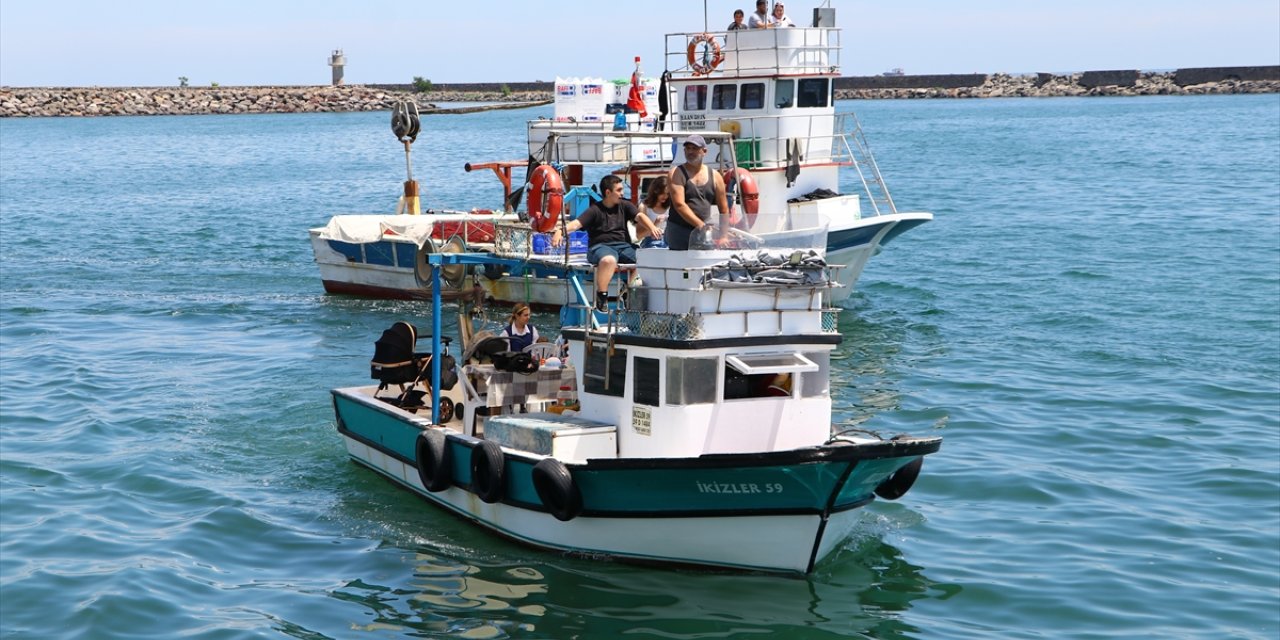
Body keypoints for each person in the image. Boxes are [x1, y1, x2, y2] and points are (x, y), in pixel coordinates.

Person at [552, 175, 659, 311]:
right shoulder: (595, 210)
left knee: (647, 257)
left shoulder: (625, 205)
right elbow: (576, 224)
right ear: (608, 193)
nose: (622, 193)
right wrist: (560, 231)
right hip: (599, 247)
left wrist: (652, 227)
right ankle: (602, 296)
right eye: (619, 190)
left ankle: (628, 291)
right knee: (609, 260)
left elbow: (640, 216)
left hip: (623, 246)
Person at [666, 134, 729, 251]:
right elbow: (679, 204)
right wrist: (700, 225)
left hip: (703, 231)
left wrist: (724, 236)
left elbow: (724, 208)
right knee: (681, 267)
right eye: (687, 148)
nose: (690, 151)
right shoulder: (676, 173)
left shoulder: (715, 176)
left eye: (694, 148)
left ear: (704, 151)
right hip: (679, 231)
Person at [638, 175, 670, 248]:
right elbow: (639, 235)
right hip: (652, 241)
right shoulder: (644, 207)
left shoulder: (671, 206)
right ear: (655, 191)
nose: (665, 196)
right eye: (662, 193)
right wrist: (654, 225)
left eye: (668, 194)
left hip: (670, 240)